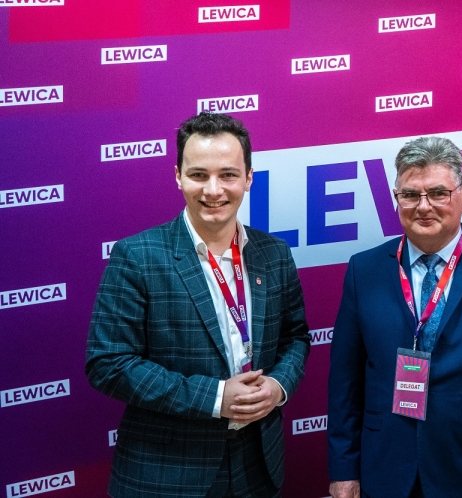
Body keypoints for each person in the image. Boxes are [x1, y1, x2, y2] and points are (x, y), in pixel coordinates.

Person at [86, 112, 311, 498]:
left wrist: (278, 386)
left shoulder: (274, 253)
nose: (213, 190)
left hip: (259, 465)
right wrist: (216, 398)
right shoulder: (137, 256)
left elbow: (296, 338)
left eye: (228, 174)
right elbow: (108, 364)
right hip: (168, 474)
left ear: (249, 178)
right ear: (178, 176)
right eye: (198, 174)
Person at [327, 136, 462, 498]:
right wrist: (343, 470)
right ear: (396, 199)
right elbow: (344, 385)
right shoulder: (363, 271)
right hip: (384, 470)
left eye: (438, 193)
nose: (423, 207)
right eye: (410, 195)